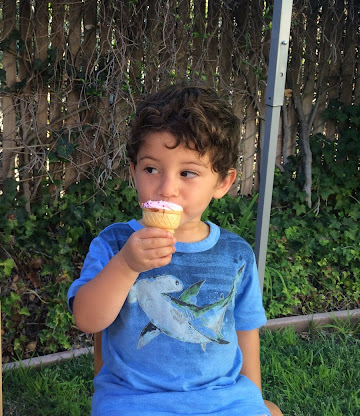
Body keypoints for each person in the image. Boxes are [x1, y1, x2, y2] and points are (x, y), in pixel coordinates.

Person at [68, 83, 272, 416]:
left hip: (221, 400)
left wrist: (253, 401)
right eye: (151, 169)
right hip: (135, 402)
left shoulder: (235, 254)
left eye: (187, 172)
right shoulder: (114, 244)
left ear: (222, 182)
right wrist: (126, 266)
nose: (167, 188)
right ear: (133, 172)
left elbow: (246, 333)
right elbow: (87, 320)